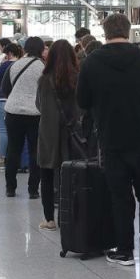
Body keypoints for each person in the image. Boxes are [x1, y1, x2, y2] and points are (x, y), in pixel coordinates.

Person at [77, 13, 140, 267]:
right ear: (128, 31)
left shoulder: (91, 61)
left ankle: (125, 250)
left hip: (110, 138)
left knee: (120, 197)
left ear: (104, 33)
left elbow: (82, 101)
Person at [36, 39, 80, 230]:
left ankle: (49, 219)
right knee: (71, 174)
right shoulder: (78, 77)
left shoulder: (44, 79)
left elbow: (38, 105)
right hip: (73, 133)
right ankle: (70, 215)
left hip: (48, 132)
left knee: (46, 174)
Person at [0, 37, 46, 199]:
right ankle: (33, 189)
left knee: (13, 149)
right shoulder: (43, 67)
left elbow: (5, 89)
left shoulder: (15, 65)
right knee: (35, 151)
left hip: (13, 112)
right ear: (41, 49)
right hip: (35, 114)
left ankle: (10, 188)